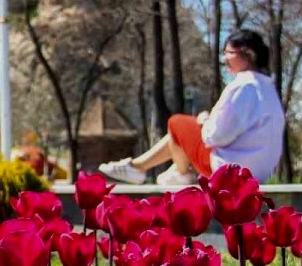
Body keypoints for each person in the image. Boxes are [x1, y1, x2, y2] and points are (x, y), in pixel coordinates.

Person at [99, 30, 285, 185]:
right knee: (179, 134)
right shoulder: (268, 88)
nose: (224, 59)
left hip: (230, 171)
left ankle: (180, 173)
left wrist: (205, 121)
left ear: (247, 54)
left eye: (229, 53)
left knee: (176, 123)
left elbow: (215, 137)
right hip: (257, 171)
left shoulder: (244, 86)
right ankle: (138, 167)